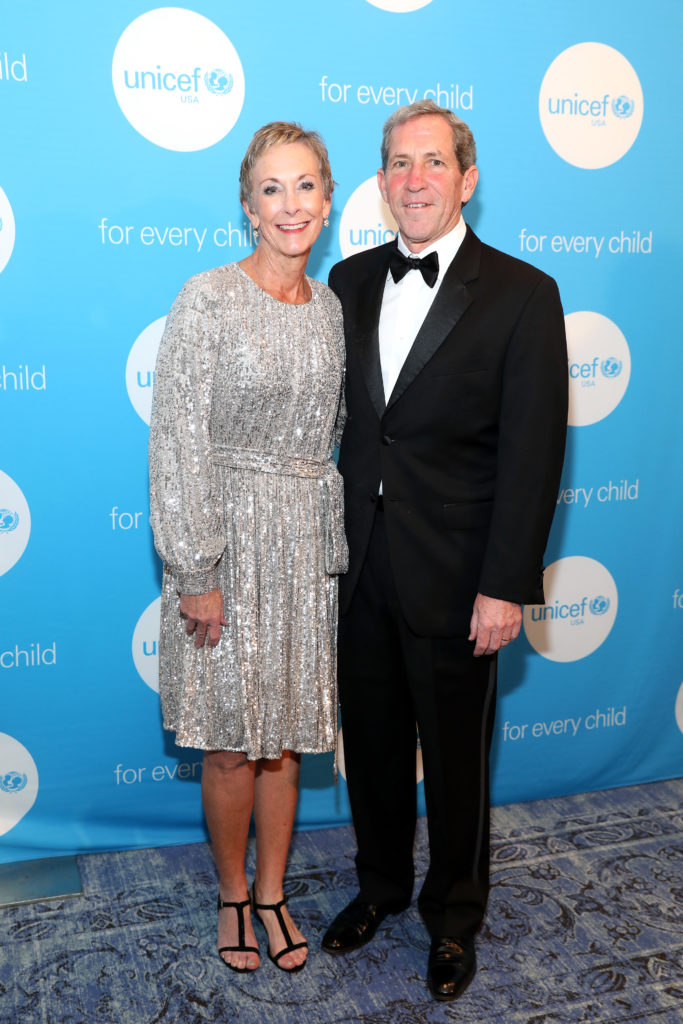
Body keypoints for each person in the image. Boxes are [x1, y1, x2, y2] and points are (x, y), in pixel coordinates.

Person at [321, 100, 568, 1002]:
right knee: (372, 746)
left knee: (458, 761)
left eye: (432, 162)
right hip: (358, 565)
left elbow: (532, 454)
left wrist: (505, 585)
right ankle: (380, 885)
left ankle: (455, 914)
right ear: (380, 181)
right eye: (398, 162)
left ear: (466, 179)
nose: (414, 179)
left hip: (461, 576)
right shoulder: (346, 281)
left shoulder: (522, 293)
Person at [148, 122, 346, 975]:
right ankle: (232, 894)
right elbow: (177, 440)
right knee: (229, 742)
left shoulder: (332, 308)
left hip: (302, 550)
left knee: (286, 740)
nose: (289, 205)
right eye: (271, 188)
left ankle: (272, 893)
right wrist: (195, 568)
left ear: (328, 201)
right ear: (247, 206)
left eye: (304, 186)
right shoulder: (207, 298)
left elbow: (340, 431)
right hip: (225, 546)